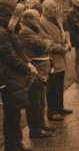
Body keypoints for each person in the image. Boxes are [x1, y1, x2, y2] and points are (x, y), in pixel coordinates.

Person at [0, 0, 36, 151]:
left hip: (14, 76)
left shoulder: (8, 30)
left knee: (14, 113)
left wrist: (27, 63)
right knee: (12, 114)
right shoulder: (3, 32)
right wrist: (27, 68)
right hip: (10, 77)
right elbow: (10, 57)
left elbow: (17, 52)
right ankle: (13, 146)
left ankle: (16, 144)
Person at [19, 9, 55, 139]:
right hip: (35, 71)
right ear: (28, 19)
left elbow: (49, 38)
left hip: (42, 70)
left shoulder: (35, 29)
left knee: (41, 100)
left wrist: (46, 42)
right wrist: (46, 43)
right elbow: (42, 46)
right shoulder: (25, 32)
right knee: (34, 102)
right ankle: (35, 130)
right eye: (36, 19)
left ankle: (41, 124)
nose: (38, 21)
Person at [40, 0, 73, 122]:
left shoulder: (56, 20)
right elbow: (46, 42)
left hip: (61, 58)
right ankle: (52, 112)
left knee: (59, 84)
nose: (54, 10)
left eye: (55, 8)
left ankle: (60, 107)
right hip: (52, 59)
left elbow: (63, 33)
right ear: (45, 9)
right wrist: (62, 48)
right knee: (52, 86)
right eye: (52, 9)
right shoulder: (42, 22)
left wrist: (67, 42)